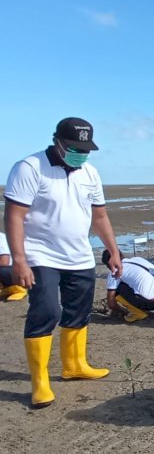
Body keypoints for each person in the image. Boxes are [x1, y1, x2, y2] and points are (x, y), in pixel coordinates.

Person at [4, 117, 122, 408]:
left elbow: (100, 216)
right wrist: (19, 259)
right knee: (45, 310)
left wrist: (113, 250)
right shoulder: (30, 168)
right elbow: (14, 216)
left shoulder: (90, 172)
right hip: (40, 254)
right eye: (74, 147)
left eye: (85, 149)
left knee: (79, 310)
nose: (80, 153)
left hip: (79, 254)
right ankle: (40, 381)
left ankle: (74, 365)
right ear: (57, 141)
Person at [103, 249, 154, 322]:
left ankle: (138, 313)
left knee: (117, 289)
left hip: (151, 304)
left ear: (108, 264)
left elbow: (111, 303)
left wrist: (124, 311)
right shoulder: (138, 259)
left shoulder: (115, 272)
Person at [0, 231, 27, 301]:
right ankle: (6, 288)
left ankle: (19, 289)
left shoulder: (1, 238)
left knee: (1, 270)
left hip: (13, 271)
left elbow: (4, 261)